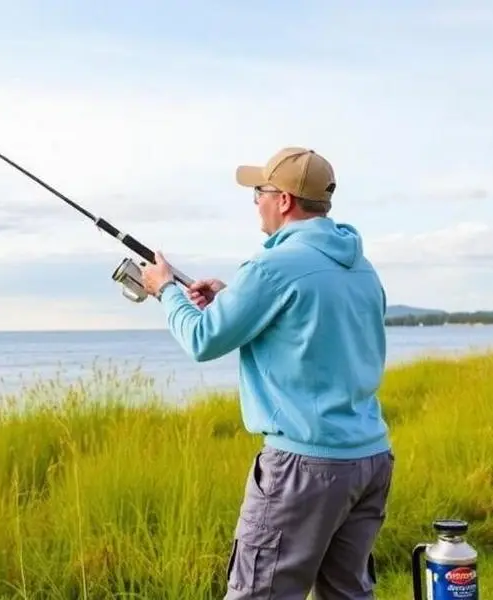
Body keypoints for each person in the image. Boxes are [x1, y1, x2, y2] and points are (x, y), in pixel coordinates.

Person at [138, 147, 394, 599]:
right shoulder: (362, 269)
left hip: (304, 469)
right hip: (369, 460)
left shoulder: (273, 266)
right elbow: (310, 335)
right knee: (347, 594)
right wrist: (232, 301)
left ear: (284, 200)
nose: (256, 200)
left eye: (260, 191)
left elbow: (202, 341)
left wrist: (165, 292)